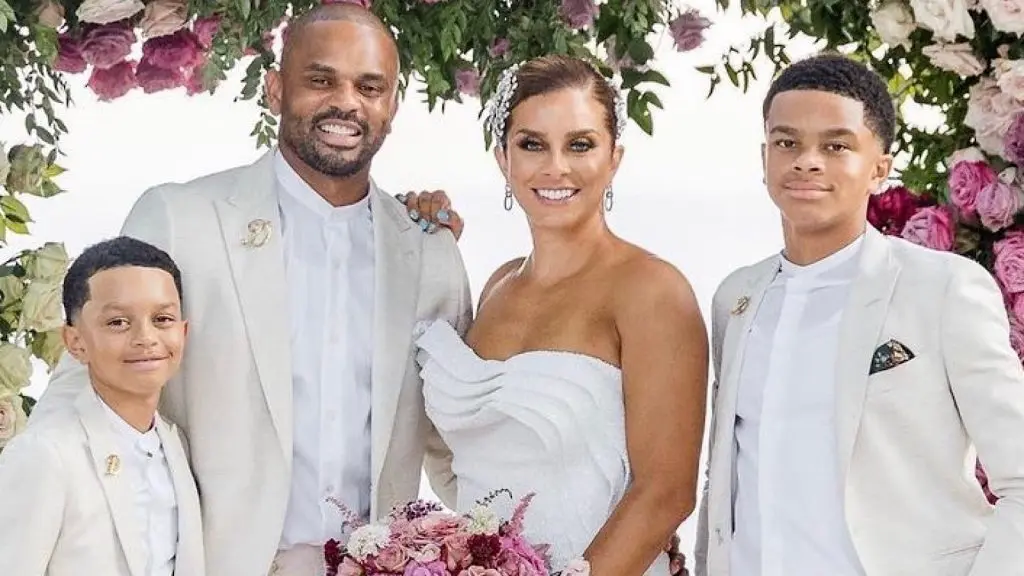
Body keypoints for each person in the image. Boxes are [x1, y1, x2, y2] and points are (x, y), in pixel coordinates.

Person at [29, 4, 471, 576]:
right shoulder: (181, 220)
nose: (346, 103)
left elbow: (459, 440)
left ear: (392, 105)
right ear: (276, 89)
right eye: (320, 80)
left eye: (370, 86)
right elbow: (79, 398)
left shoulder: (431, 252)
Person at [694, 53, 1024, 576]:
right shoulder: (735, 298)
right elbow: (727, 478)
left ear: (879, 169)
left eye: (835, 145)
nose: (807, 160)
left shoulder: (942, 290)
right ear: (764, 160)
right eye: (787, 143)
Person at [412, 55, 709, 575]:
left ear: (614, 157)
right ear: (503, 159)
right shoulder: (497, 286)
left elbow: (665, 494)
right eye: (532, 144)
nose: (555, 167)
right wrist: (412, 234)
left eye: (580, 144)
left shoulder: (653, 291)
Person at [0, 236, 204, 576]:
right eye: (118, 323)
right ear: (75, 341)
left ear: (183, 331)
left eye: (162, 319)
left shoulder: (176, 443)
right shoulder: (46, 453)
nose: (146, 337)